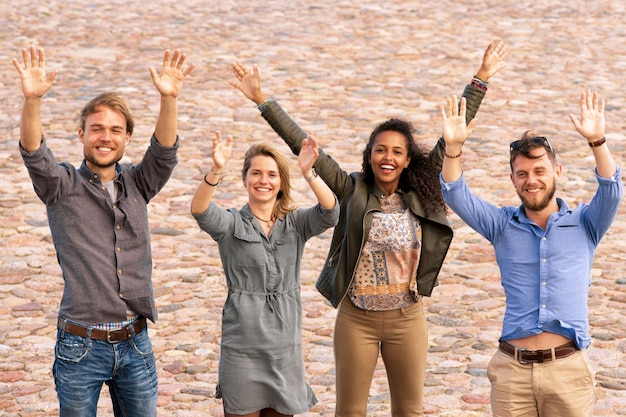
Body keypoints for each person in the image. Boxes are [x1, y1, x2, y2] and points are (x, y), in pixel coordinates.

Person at [228, 41, 507, 416]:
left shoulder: (420, 191)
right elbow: (302, 143)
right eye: (380, 149)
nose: (387, 157)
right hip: (356, 318)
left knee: (409, 411)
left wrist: (482, 76)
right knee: (350, 411)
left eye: (396, 152)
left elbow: (451, 135)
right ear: (369, 155)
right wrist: (261, 98)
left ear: (408, 160)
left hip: (407, 318)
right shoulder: (351, 189)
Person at [13, 46, 194, 416]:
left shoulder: (138, 183)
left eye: (115, 130)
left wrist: (169, 98)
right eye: (96, 129)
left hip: (136, 343)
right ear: (81, 134)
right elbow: (34, 153)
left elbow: (163, 153)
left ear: (127, 138)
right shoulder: (61, 186)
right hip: (80, 347)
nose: (105, 137)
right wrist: (32, 101)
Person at [439, 89, 622, 416]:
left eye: (539, 171)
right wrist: (453, 149)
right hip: (513, 373)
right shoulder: (500, 224)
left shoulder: (585, 223)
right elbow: (456, 194)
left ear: (557, 173)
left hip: (568, 371)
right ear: (513, 179)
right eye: (522, 174)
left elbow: (611, 188)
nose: (531, 180)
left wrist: (597, 142)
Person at [190, 131, 339, 416]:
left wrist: (309, 174)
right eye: (256, 173)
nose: (263, 180)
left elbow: (330, 212)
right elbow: (201, 211)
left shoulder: (295, 222)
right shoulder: (232, 224)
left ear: (281, 181)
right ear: (245, 179)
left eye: (271, 174)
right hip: (242, 348)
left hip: (284, 349)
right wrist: (216, 169)